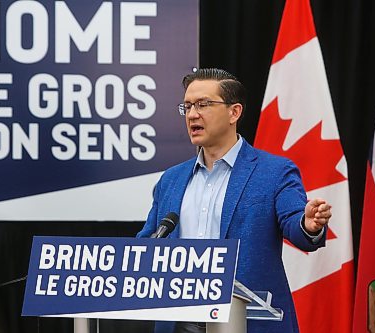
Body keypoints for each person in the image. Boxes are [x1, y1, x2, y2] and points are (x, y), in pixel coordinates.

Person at [137, 68, 332, 333]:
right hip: (179, 322)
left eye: (203, 104)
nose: (193, 114)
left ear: (234, 112)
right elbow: (147, 243)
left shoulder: (274, 172)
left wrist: (308, 224)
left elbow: (295, 225)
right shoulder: (171, 180)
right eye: (187, 106)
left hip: (246, 321)